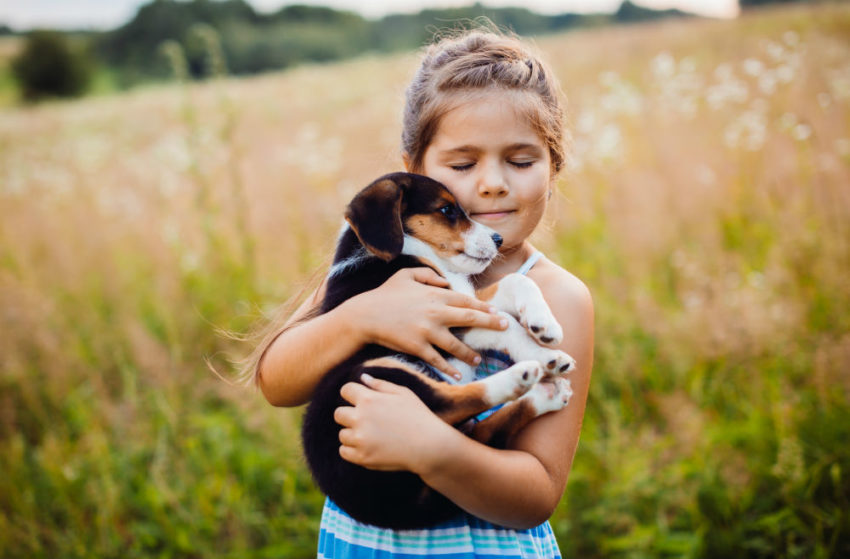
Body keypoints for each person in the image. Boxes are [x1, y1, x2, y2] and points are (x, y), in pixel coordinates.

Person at [250, 28, 594, 558]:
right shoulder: (373, 271)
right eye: (462, 165)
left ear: (554, 167)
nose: (493, 184)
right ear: (413, 172)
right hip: (363, 542)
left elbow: (538, 493)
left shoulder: (559, 296)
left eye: (521, 161)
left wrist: (432, 448)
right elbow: (276, 382)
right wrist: (358, 319)